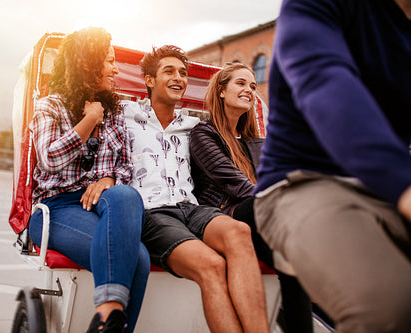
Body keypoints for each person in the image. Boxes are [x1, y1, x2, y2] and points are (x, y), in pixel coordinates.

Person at [254, 0, 411, 332]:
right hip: (302, 182)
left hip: (387, 184)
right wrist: (403, 184)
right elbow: (324, 84)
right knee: (390, 305)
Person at [123, 45, 269, 333]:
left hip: (192, 209)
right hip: (153, 213)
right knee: (212, 265)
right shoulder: (125, 116)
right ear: (150, 80)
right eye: (169, 71)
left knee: (239, 232)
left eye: (183, 73)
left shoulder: (193, 127)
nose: (179, 78)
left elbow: (229, 134)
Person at [28, 27, 149, 333]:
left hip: (102, 204)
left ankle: (107, 321)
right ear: (87, 64)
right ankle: (110, 320)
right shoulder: (49, 106)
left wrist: (109, 178)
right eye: (109, 61)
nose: (116, 69)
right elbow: (49, 160)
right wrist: (88, 121)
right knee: (139, 259)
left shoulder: (115, 112)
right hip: (56, 209)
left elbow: (126, 167)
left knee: (126, 195)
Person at [190, 62, 314, 333]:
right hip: (224, 215)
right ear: (221, 91)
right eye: (241, 83)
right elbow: (233, 183)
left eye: (253, 86)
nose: (249, 89)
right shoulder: (203, 133)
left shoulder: (252, 142)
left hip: (259, 217)